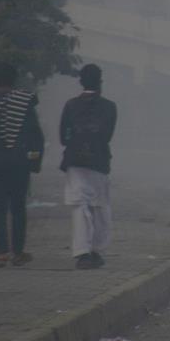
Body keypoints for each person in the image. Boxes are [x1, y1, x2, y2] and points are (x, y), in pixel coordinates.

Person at [0, 63, 43, 268]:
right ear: (14, 80)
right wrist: (35, 161)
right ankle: (18, 253)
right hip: (20, 162)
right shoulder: (25, 99)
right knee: (18, 207)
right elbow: (35, 133)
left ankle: (1, 253)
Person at [60, 64, 117, 270]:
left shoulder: (70, 105)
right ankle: (96, 250)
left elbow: (63, 136)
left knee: (79, 206)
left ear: (81, 82)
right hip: (99, 161)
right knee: (99, 207)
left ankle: (82, 252)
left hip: (75, 161)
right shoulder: (110, 107)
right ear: (100, 82)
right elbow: (108, 135)